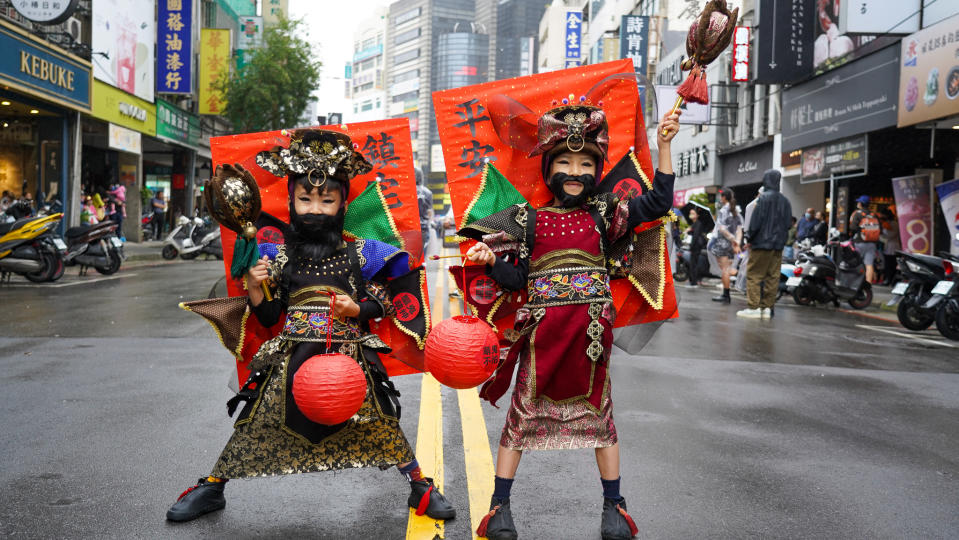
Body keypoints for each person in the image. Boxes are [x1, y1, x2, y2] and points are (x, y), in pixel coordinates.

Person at [166, 129, 455, 523]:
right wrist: (255, 288)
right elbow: (270, 317)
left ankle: (419, 486)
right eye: (305, 199)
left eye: (326, 200)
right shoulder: (280, 258)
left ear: (342, 203)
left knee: (382, 419)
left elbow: (385, 300)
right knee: (255, 419)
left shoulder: (359, 253)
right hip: (292, 358)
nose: (315, 209)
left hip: (350, 358)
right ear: (291, 202)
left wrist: (358, 308)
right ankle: (214, 486)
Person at [462, 104, 680, 540]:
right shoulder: (528, 220)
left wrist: (664, 145)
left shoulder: (606, 214)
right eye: (564, 162)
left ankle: (614, 509)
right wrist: (488, 263)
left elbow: (657, 203)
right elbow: (517, 280)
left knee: (601, 420)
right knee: (520, 420)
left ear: (596, 169)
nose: (575, 171)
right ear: (549, 168)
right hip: (541, 339)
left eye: (584, 163)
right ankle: (498, 509)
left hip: (589, 338)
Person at [738, 170, 792, 319]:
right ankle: (767, 308)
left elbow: (755, 224)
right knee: (772, 277)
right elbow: (788, 223)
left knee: (755, 275)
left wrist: (749, 239)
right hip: (778, 246)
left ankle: (754, 307)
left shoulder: (762, 200)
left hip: (761, 244)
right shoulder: (785, 201)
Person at [709, 188, 742, 304]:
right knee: (728, 268)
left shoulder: (723, 210)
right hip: (732, 245)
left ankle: (726, 295)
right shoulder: (736, 210)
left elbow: (722, 229)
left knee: (725, 269)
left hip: (722, 243)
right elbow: (739, 229)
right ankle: (726, 293)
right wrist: (736, 241)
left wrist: (732, 239)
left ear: (724, 197)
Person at [849, 195, 878, 283]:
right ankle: (868, 284)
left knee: (857, 263)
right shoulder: (873, 215)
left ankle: (855, 282)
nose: (857, 203)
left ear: (861, 204)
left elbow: (852, 228)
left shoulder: (858, 214)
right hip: (872, 243)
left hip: (859, 242)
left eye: (858, 202)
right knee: (869, 264)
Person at [415, 166, 433, 257]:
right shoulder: (427, 192)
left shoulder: (406, 192)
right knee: (421, 257)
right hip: (423, 229)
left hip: (409, 228)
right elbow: (429, 213)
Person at [687, 208, 708, 286]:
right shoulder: (694, 224)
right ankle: (692, 280)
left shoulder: (698, 224)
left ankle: (694, 282)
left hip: (696, 246)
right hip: (694, 246)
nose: (691, 215)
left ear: (697, 215)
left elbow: (695, 236)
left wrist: (691, 246)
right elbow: (693, 234)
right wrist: (689, 231)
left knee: (694, 264)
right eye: (690, 213)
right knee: (692, 263)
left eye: (693, 213)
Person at [879, 207, 900, 286]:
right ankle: (887, 279)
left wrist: (881, 235)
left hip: (893, 247)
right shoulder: (886, 223)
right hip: (887, 247)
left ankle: (891, 280)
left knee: (892, 265)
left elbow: (890, 235)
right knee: (887, 264)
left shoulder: (894, 223)